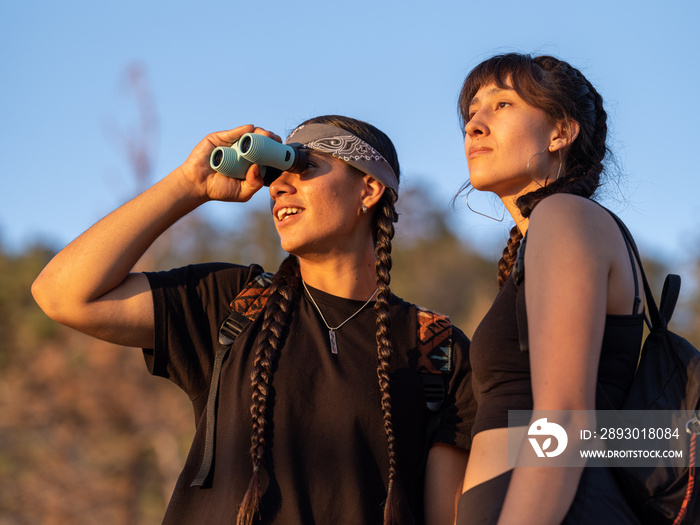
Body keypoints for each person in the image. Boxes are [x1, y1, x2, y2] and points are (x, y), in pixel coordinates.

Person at [31, 114, 476, 525]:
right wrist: (191, 183)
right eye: (276, 175)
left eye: (304, 167)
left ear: (369, 189)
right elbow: (61, 294)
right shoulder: (234, 302)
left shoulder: (436, 348)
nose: (279, 187)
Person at [453, 54, 644, 524]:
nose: (474, 124)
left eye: (501, 105)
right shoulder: (545, 233)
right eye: (472, 111)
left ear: (560, 132)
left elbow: (564, 417)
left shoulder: (563, 218)